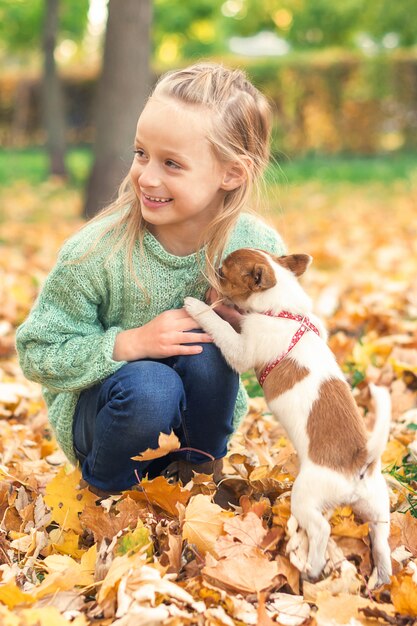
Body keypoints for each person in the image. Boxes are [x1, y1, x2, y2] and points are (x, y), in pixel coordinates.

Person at [16, 62, 285, 501]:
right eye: (141, 153)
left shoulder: (254, 248)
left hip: (192, 428)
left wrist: (245, 327)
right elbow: (37, 352)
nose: (148, 176)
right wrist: (130, 343)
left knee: (208, 352)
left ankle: (198, 481)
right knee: (154, 386)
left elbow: (277, 357)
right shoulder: (96, 252)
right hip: (109, 425)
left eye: (172, 164)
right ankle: (108, 497)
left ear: (232, 173)